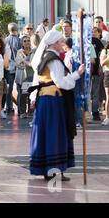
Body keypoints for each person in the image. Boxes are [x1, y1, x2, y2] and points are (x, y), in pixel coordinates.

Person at [29, 30, 85, 181]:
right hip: (52, 101)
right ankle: (53, 170)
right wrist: (76, 74)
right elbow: (59, 81)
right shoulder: (53, 59)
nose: (63, 44)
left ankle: (49, 169)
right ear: (54, 43)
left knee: (48, 134)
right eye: (60, 41)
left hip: (46, 100)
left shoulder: (45, 56)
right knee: (55, 134)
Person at [15, 35, 34, 119]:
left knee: (31, 94)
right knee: (22, 95)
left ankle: (30, 111)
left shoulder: (34, 51)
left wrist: (24, 62)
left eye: (28, 40)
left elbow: (33, 63)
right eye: (25, 41)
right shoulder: (19, 52)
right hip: (22, 76)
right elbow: (18, 63)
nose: (27, 42)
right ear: (22, 43)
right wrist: (27, 63)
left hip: (31, 76)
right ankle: (22, 112)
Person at [4, 23, 21, 115]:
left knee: (9, 88)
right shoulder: (20, 40)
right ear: (16, 29)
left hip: (9, 67)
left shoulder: (5, 40)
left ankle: (9, 107)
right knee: (19, 89)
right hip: (19, 67)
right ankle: (20, 108)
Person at [91, 27, 105, 121]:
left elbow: (101, 54)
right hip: (85, 71)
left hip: (96, 70)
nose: (92, 33)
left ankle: (95, 112)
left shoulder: (97, 42)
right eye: (91, 31)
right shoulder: (83, 41)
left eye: (94, 31)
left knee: (95, 93)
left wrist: (100, 67)